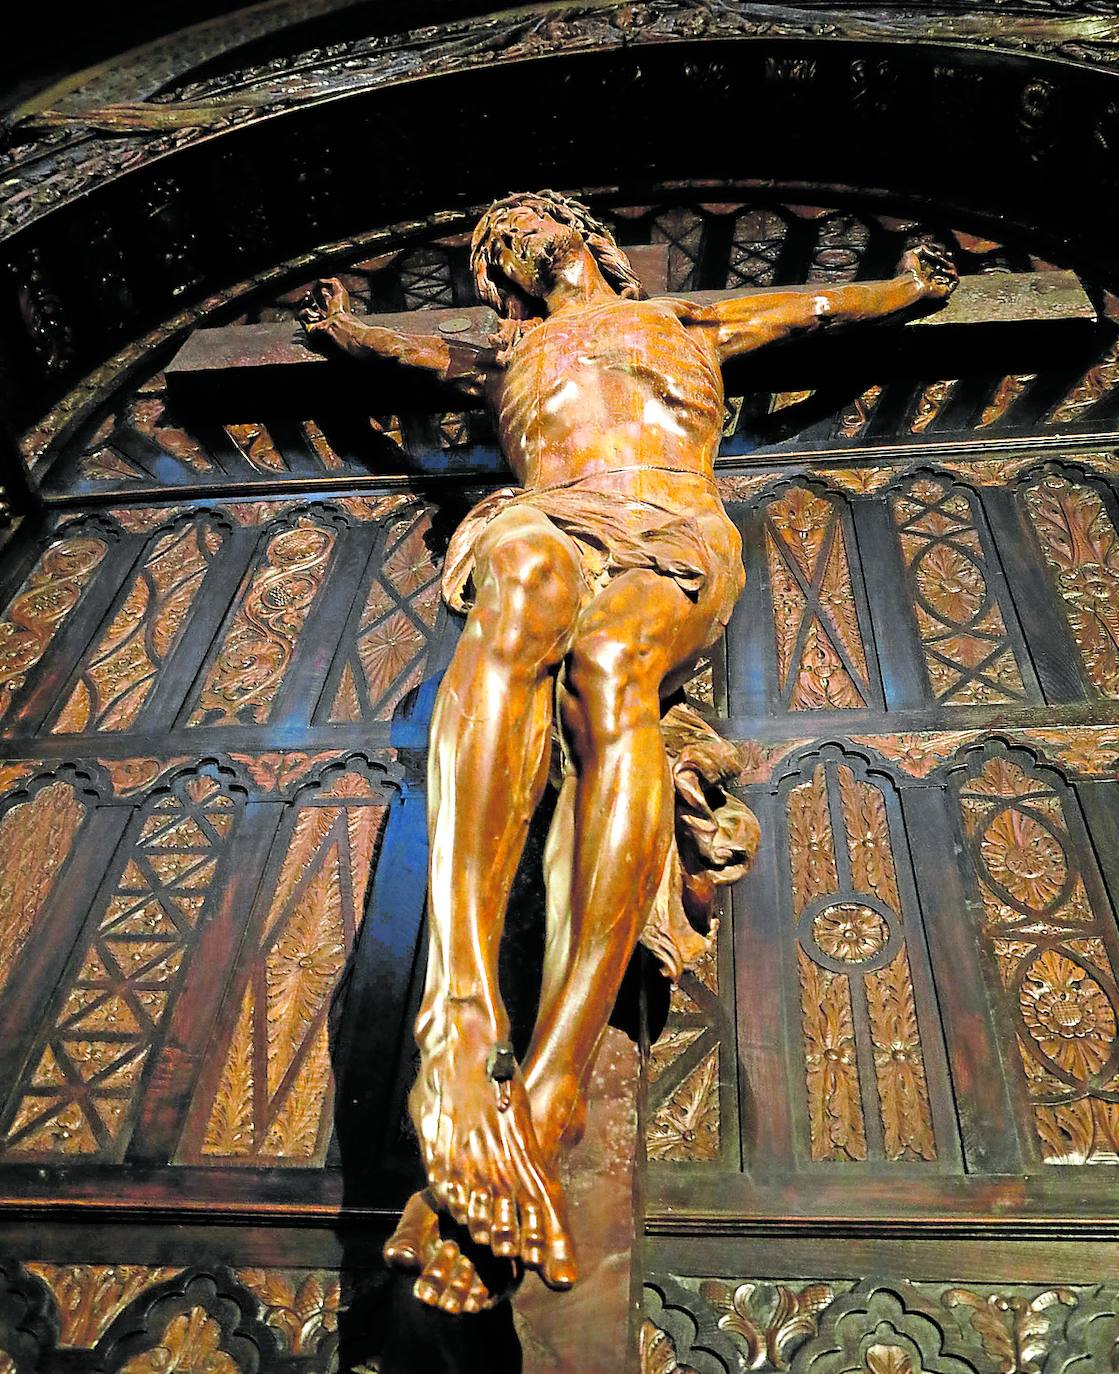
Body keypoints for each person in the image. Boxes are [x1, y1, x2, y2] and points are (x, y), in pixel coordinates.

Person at [301, 191, 957, 1313]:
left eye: (521, 220)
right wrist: (346, 333)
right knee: (516, 590)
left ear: (587, 234)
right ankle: (458, 1016)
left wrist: (914, 291)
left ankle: (549, 1090)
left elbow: (818, 311)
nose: (506, 240)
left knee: (614, 683)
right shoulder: (500, 350)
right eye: (490, 240)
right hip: (551, 511)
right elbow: (402, 358)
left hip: (673, 525)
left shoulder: (691, 327)